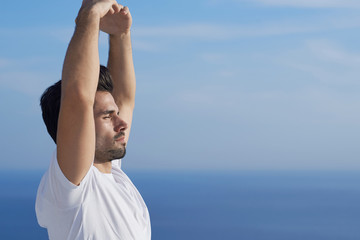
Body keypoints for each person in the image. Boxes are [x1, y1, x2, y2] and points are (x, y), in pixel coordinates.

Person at [35, 0, 151, 239]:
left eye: (115, 113)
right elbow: (78, 98)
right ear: (76, 127)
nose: (122, 124)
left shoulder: (115, 177)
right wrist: (89, 14)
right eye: (107, 117)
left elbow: (125, 99)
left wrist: (120, 35)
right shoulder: (72, 187)